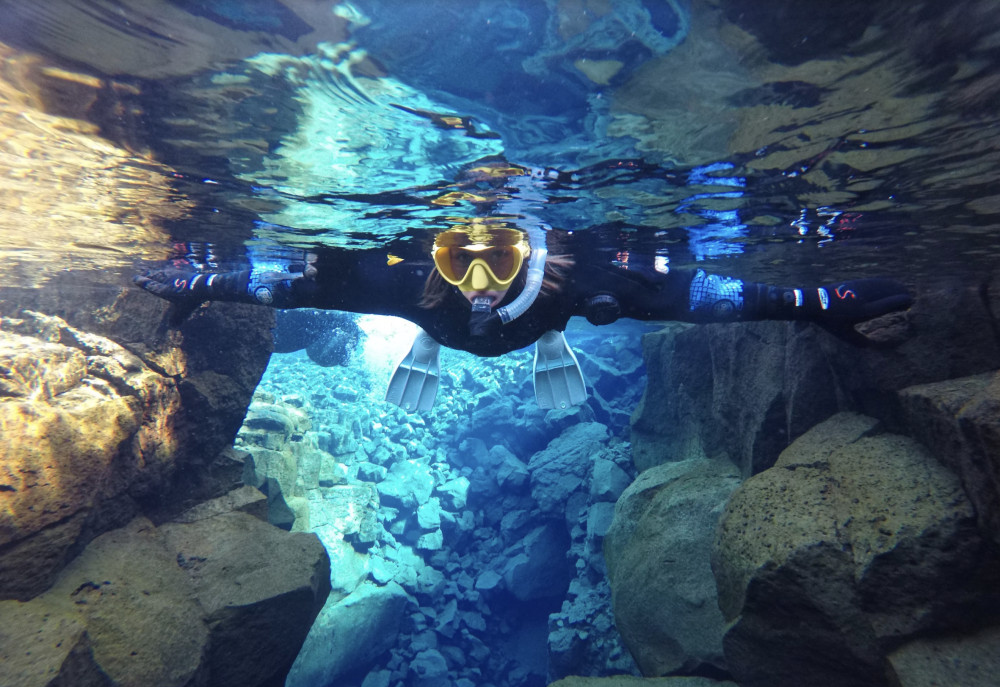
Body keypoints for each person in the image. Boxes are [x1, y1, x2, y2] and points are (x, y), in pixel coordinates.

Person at [134, 218, 912, 412]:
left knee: (639, 303)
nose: (478, 278)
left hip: (540, 329)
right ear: (434, 252)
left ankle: (543, 345)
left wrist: (815, 306)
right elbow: (292, 283)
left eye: (500, 258)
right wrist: (208, 279)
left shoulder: (588, 279)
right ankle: (438, 346)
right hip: (438, 332)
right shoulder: (403, 281)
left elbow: (712, 299)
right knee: (377, 292)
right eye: (458, 258)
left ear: (537, 255)